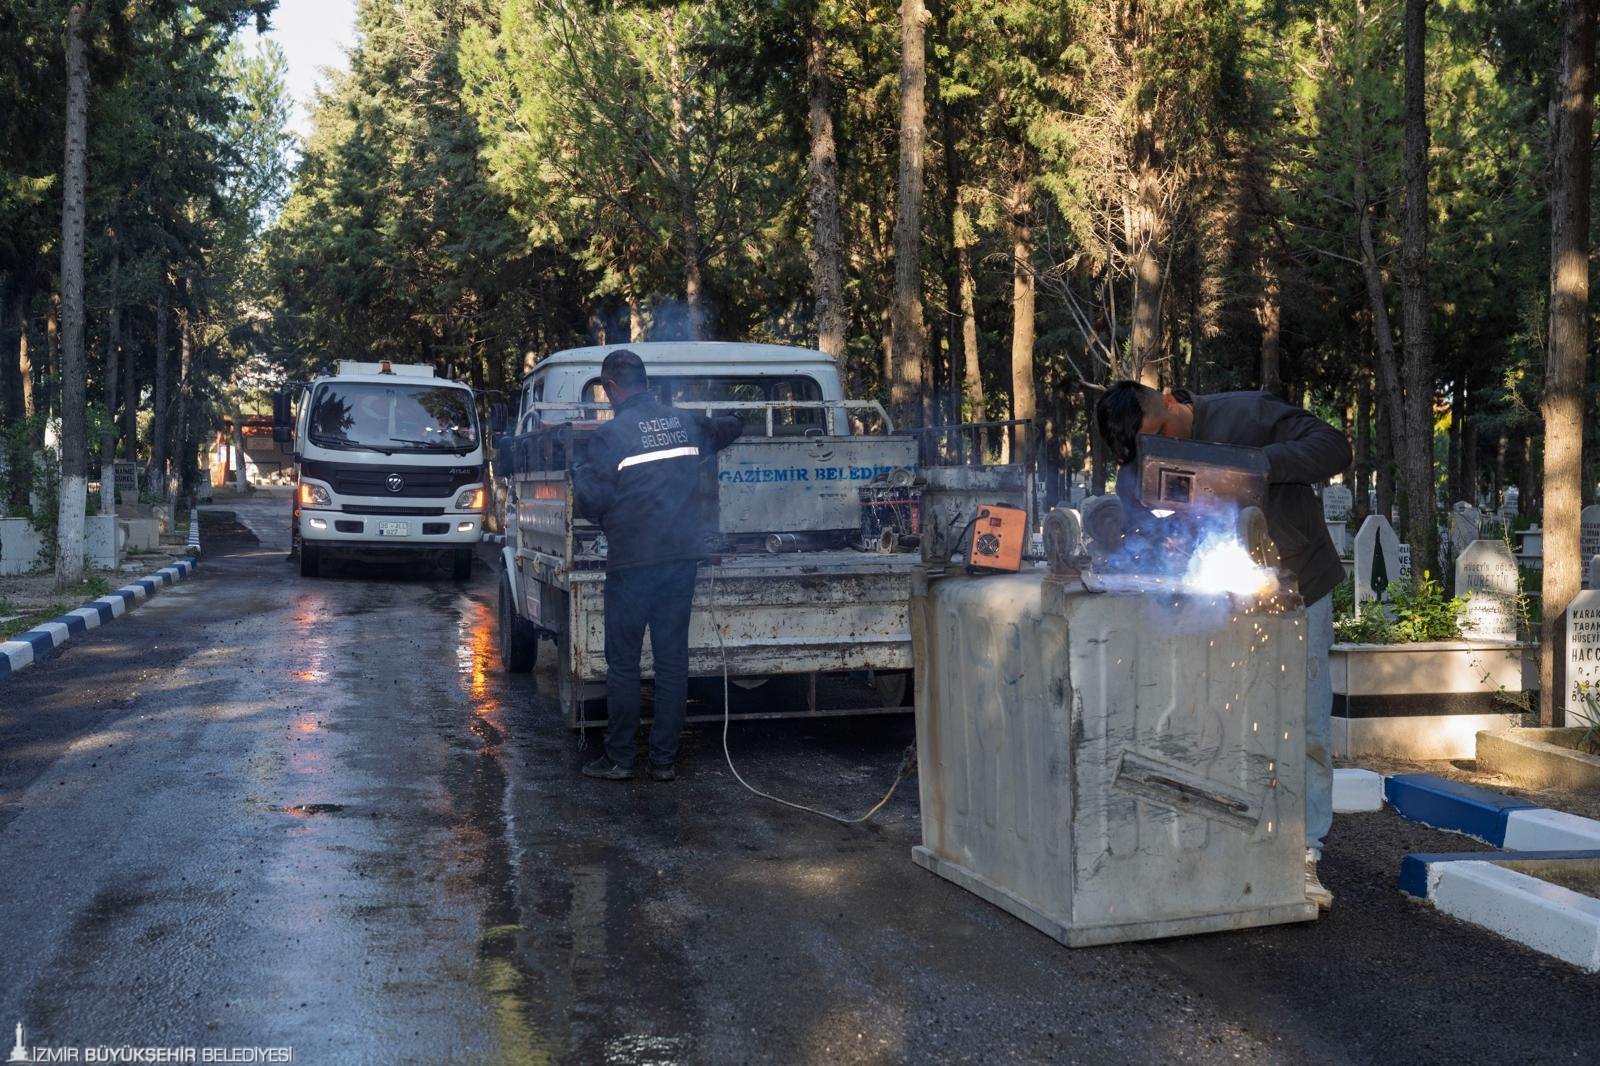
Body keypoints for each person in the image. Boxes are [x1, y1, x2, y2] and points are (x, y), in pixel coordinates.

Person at [1095, 382, 1352, 911]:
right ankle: (1223, 840)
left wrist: (1250, 465)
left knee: (1303, 724)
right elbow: (1137, 527)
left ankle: (1304, 852)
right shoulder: (1136, 468)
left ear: (1169, 400)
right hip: (1212, 600)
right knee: (1218, 719)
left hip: (1298, 586)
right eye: (1150, 447)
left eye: (1165, 432)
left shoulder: (1246, 414)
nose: (1164, 446)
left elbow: (1335, 448)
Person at [573, 349, 744, 782]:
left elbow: (591, 502)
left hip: (632, 564)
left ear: (612, 387)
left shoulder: (610, 437)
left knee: (625, 664)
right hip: (681, 559)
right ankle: (663, 762)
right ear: (645, 382)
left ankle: (620, 759)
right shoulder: (684, 422)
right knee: (671, 662)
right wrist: (738, 419)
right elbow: (726, 429)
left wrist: (586, 483)